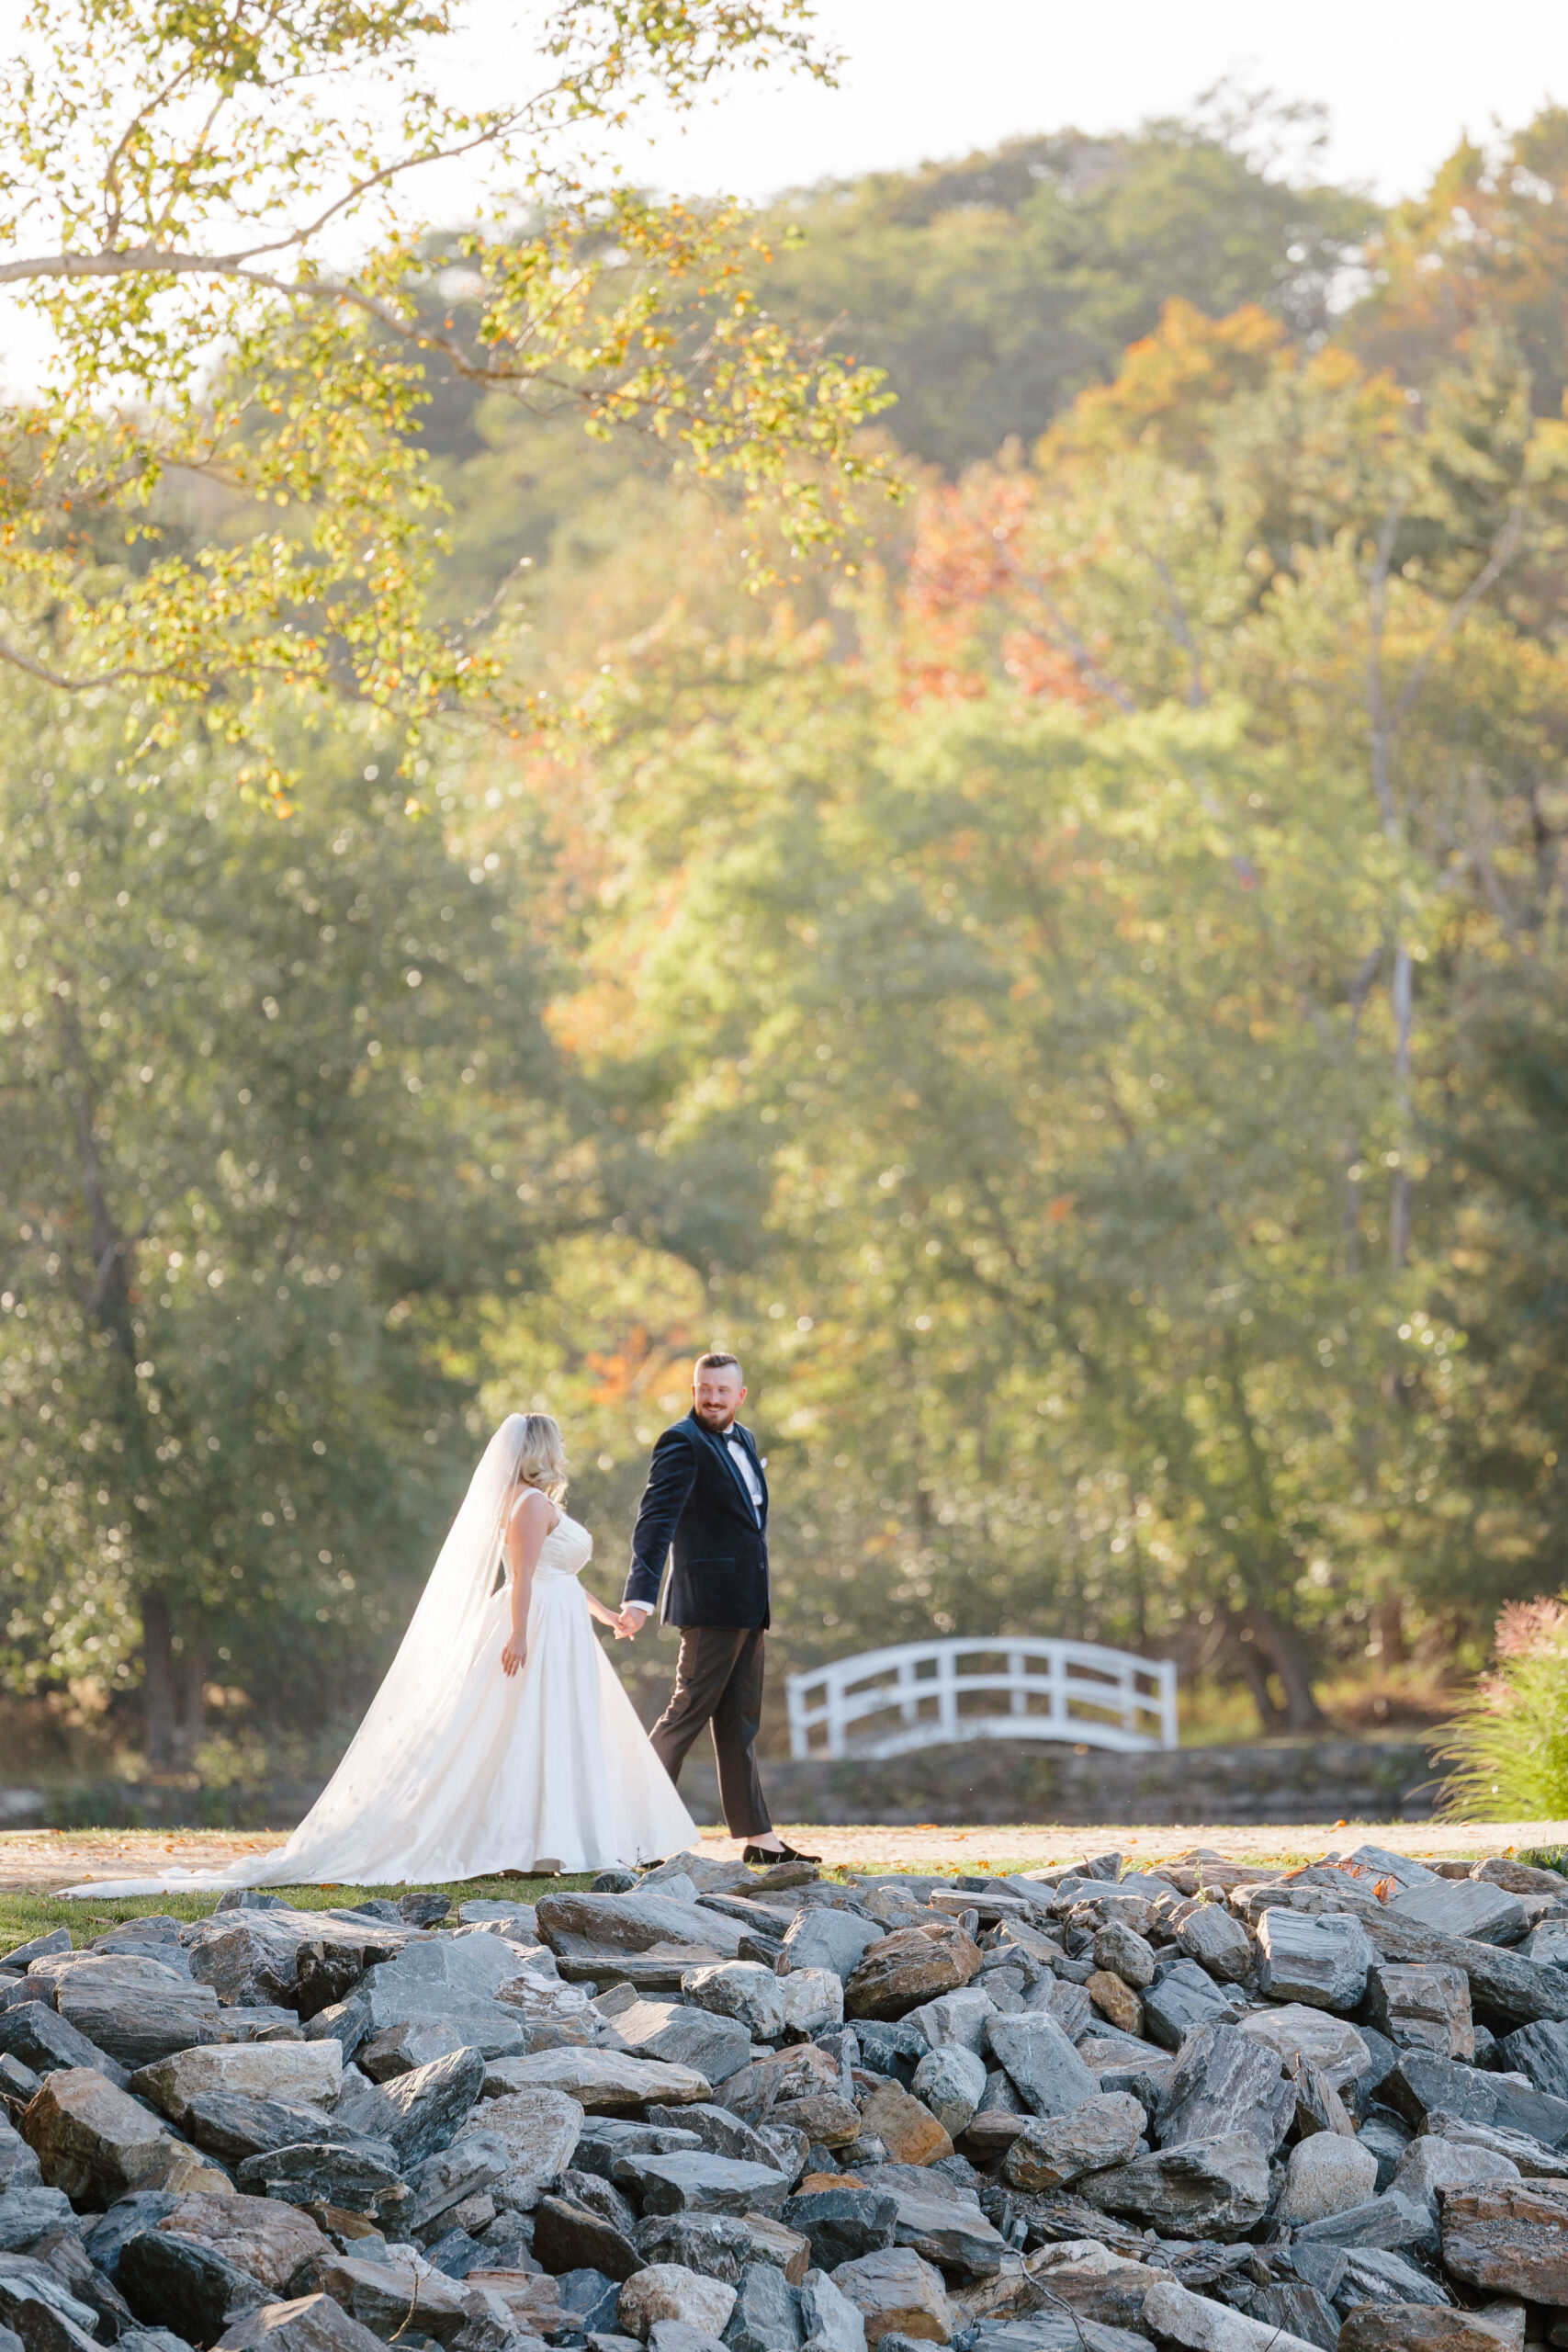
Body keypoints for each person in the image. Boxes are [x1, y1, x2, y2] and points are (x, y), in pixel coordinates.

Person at [60, 1413, 696, 1895]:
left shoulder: (540, 1503)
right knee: (515, 1733)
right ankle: (526, 1839)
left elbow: (563, 1580)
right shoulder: (528, 1504)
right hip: (535, 1625)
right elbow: (524, 1578)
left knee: (552, 1733)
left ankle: (554, 1837)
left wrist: (605, 1614)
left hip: (564, 1623)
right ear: (540, 1451)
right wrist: (518, 1635)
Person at [617, 1351, 818, 1866]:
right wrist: (639, 1597)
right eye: (704, 1388)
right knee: (685, 1714)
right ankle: (633, 1831)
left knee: (740, 1722)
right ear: (693, 1389)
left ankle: (759, 1838)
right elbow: (654, 1524)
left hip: (750, 1603)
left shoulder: (744, 1439)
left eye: (722, 1391)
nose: (712, 1398)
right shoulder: (680, 1441)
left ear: (740, 1395)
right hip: (708, 1604)